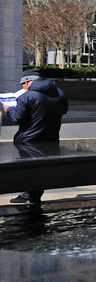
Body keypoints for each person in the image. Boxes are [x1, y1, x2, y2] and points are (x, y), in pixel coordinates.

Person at [4, 70, 68, 207]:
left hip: (28, 139)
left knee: (28, 168)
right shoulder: (59, 93)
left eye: (23, 85)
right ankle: (34, 196)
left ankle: (27, 196)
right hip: (51, 137)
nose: (23, 88)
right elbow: (64, 110)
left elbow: (16, 117)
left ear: (27, 82)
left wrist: (7, 110)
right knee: (41, 168)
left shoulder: (28, 96)